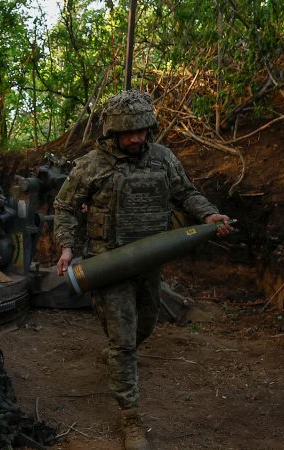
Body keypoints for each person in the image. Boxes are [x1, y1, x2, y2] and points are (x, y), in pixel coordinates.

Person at [53, 90, 233, 450]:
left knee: (145, 324)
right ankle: (130, 419)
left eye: (142, 130)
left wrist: (208, 213)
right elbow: (66, 207)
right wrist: (67, 247)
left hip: (149, 262)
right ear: (113, 133)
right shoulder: (92, 165)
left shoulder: (163, 159)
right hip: (109, 264)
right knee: (123, 339)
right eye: (128, 132)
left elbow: (185, 194)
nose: (136, 138)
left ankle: (120, 355)